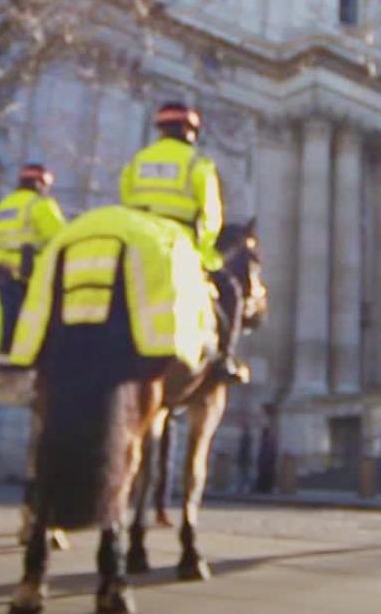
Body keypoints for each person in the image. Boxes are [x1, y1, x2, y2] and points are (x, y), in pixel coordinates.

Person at [119, 101, 244, 383]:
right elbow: (212, 215)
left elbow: (126, 199)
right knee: (231, 292)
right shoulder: (198, 163)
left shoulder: (137, 161)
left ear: (160, 131)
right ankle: (225, 358)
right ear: (190, 131)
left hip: (137, 243)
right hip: (179, 244)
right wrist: (204, 249)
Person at [0, 162, 65, 349]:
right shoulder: (40, 205)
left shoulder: (1, 207)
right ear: (41, 184)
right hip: (24, 274)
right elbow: (60, 237)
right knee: (20, 324)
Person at [234, 422, 254, 494]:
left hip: (244, 459)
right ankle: (245, 488)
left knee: (244, 474)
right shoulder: (247, 437)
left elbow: (243, 449)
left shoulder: (245, 438)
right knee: (245, 474)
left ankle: (242, 488)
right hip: (245, 459)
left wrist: (239, 458)